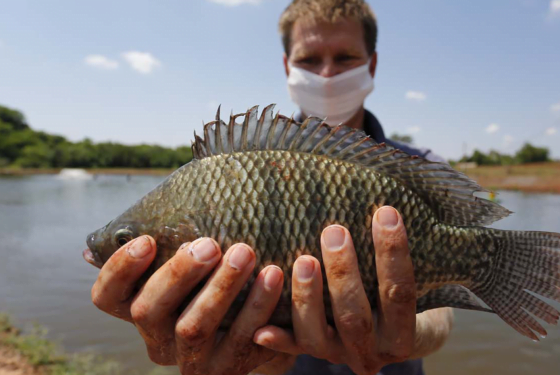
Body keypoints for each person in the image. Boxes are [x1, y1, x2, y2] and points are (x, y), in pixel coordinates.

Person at [86, 1, 453, 374]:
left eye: (344, 57)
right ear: (287, 66)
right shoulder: (233, 166)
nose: (327, 73)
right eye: (310, 59)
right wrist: (251, 353)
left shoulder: (421, 168)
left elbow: (440, 317)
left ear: (371, 64)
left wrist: (409, 330)